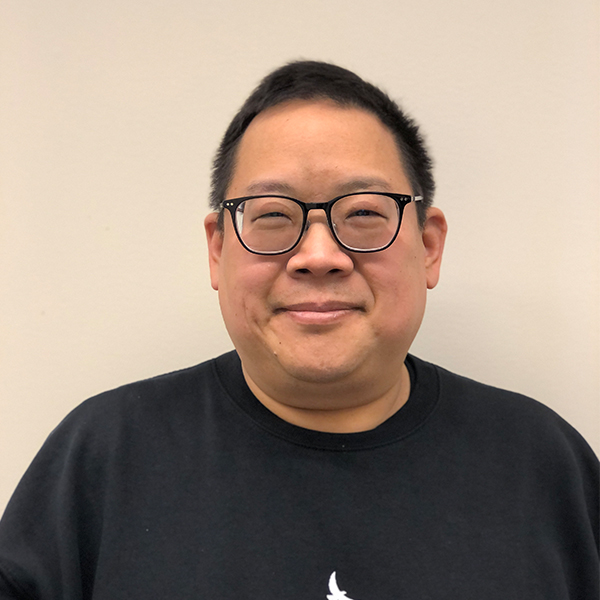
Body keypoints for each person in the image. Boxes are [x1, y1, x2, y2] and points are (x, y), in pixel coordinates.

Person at [0, 61, 597, 600]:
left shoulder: (542, 464)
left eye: (363, 213)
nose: (318, 256)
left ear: (429, 246)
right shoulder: (104, 457)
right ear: (218, 250)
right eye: (273, 216)